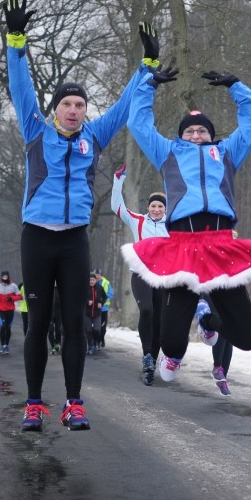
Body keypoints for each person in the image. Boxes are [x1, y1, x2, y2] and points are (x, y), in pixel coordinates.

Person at [1, 0, 157, 431]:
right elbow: (20, 87)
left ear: (86, 111)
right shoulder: (35, 130)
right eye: (67, 105)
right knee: (36, 326)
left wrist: (145, 68)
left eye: (80, 105)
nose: (74, 110)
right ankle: (33, 404)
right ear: (55, 110)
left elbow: (126, 105)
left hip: (74, 241)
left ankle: (73, 403)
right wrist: (16, 41)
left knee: (75, 322)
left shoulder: (95, 134)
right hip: (37, 237)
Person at [122, 37, 251, 385]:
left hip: (221, 246)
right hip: (182, 247)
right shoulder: (168, 153)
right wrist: (149, 86)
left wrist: (236, 87)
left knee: (247, 339)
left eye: (202, 130)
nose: (195, 133)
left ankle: (209, 322)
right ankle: (175, 354)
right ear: (180, 136)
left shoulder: (226, 152)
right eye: (189, 130)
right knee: (171, 343)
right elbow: (138, 125)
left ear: (211, 135)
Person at [111, 163, 168, 385]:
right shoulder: (138, 220)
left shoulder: (172, 225)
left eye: (160, 207)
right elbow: (117, 207)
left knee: (160, 320)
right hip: (141, 275)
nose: (156, 209)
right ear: (148, 207)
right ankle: (146, 357)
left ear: (165, 209)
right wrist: (118, 181)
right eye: (153, 206)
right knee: (146, 310)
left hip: (163, 278)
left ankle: (152, 362)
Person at [0, 271, 22, 354]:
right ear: (1, 277)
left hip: (10, 310)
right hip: (1, 310)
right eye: (3, 277)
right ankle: (2, 346)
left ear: (8, 277)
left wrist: (12, 298)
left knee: (8, 328)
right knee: (3, 326)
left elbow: (20, 296)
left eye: (6, 276)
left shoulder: (14, 286)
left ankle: (6, 346)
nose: (4, 278)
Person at [85, 273, 107, 355]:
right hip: (87, 313)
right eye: (90, 280)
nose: (91, 281)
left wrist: (101, 303)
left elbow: (105, 297)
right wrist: (87, 302)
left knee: (97, 329)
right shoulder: (85, 288)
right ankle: (90, 345)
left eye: (93, 280)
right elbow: (80, 298)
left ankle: (95, 342)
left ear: (95, 280)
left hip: (97, 312)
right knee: (88, 330)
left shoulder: (99, 287)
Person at [92, 269, 113, 348]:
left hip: (103, 308)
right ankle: (94, 341)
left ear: (101, 275)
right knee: (94, 327)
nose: (97, 277)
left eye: (98, 275)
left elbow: (111, 294)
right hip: (93, 308)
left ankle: (101, 339)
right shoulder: (91, 282)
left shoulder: (106, 283)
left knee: (102, 327)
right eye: (95, 275)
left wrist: (101, 299)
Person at [47, 283, 63, 355]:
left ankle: (58, 344)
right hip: (49, 314)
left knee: (58, 330)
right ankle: (53, 346)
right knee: (50, 330)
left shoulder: (61, 289)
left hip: (59, 314)